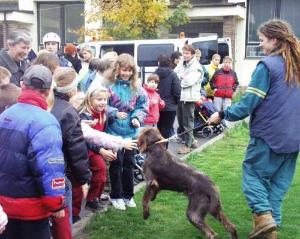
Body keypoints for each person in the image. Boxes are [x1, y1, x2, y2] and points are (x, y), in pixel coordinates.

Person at [208, 19, 300, 239]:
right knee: (276, 188)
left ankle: (265, 220)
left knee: (253, 175)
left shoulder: (267, 66)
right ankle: (269, 232)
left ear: (274, 40)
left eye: (261, 40)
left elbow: (248, 103)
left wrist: (221, 114)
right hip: (294, 139)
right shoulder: (296, 66)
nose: (260, 45)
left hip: (269, 136)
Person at [0, 65, 66, 239]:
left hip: (4, 206)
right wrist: (56, 203)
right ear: (48, 91)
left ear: (22, 85)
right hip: (32, 208)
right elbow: (50, 166)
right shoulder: (46, 121)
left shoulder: (5, 114)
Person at [48, 67, 91, 232]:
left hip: (40, 169)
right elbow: (77, 150)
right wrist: (83, 179)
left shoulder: (46, 103)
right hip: (59, 171)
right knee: (63, 220)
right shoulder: (68, 111)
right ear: (72, 89)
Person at [106, 53, 148, 210]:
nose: (126, 73)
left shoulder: (137, 88)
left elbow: (143, 106)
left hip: (130, 134)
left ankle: (128, 195)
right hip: (113, 133)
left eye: (130, 71)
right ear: (117, 69)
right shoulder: (108, 86)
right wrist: (114, 112)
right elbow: (101, 104)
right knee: (116, 164)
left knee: (129, 164)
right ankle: (116, 195)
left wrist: (137, 117)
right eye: (124, 70)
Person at [78, 87, 116, 212]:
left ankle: (96, 197)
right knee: (100, 171)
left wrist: (110, 148)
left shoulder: (103, 114)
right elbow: (87, 139)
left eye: (105, 99)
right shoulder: (86, 115)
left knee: (103, 174)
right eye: (99, 99)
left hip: (97, 149)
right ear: (90, 99)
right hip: (86, 150)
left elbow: (102, 135)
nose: (103, 102)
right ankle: (91, 199)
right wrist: (101, 150)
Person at [174, 44, 203, 154]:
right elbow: (174, 73)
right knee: (181, 121)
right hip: (181, 96)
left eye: (187, 53)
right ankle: (193, 142)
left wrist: (180, 78)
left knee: (187, 122)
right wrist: (181, 76)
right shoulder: (183, 63)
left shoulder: (196, 66)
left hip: (189, 97)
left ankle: (188, 145)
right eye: (184, 53)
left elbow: (188, 82)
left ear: (192, 54)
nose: (185, 56)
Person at [155, 54, 181, 141]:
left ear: (158, 63)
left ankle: (158, 149)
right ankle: (164, 150)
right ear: (169, 62)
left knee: (159, 128)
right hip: (170, 107)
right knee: (166, 130)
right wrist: (176, 102)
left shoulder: (154, 75)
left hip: (157, 106)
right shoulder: (173, 74)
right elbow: (177, 91)